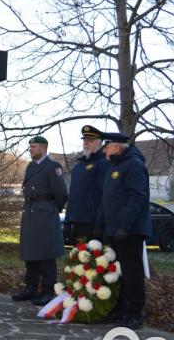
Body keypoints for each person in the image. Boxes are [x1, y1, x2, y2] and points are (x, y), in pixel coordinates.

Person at [96, 132, 152, 330]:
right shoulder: (114, 167)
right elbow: (107, 199)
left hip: (130, 231)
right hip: (114, 230)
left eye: (107, 145)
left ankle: (134, 312)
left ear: (117, 146)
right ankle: (120, 309)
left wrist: (125, 226)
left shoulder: (134, 165)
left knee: (132, 272)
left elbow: (138, 197)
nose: (104, 149)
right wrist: (101, 225)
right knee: (117, 273)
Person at [11, 135, 69, 306]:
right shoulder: (30, 167)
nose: (31, 149)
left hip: (45, 213)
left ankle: (47, 290)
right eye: (30, 147)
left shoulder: (52, 167)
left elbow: (62, 193)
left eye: (34, 147)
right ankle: (30, 287)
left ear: (43, 148)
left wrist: (51, 209)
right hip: (30, 212)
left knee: (46, 253)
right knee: (31, 252)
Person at [63, 125, 110, 243]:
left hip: (93, 223)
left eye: (90, 141)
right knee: (79, 260)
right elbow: (73, 195)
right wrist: (68, 220)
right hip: (77, 223)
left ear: (99, 143)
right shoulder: (78, 166)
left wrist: (100, 223)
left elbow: (106, 196)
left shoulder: (104, 164)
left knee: (96, 260)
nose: (86, 143)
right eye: (84, 140)